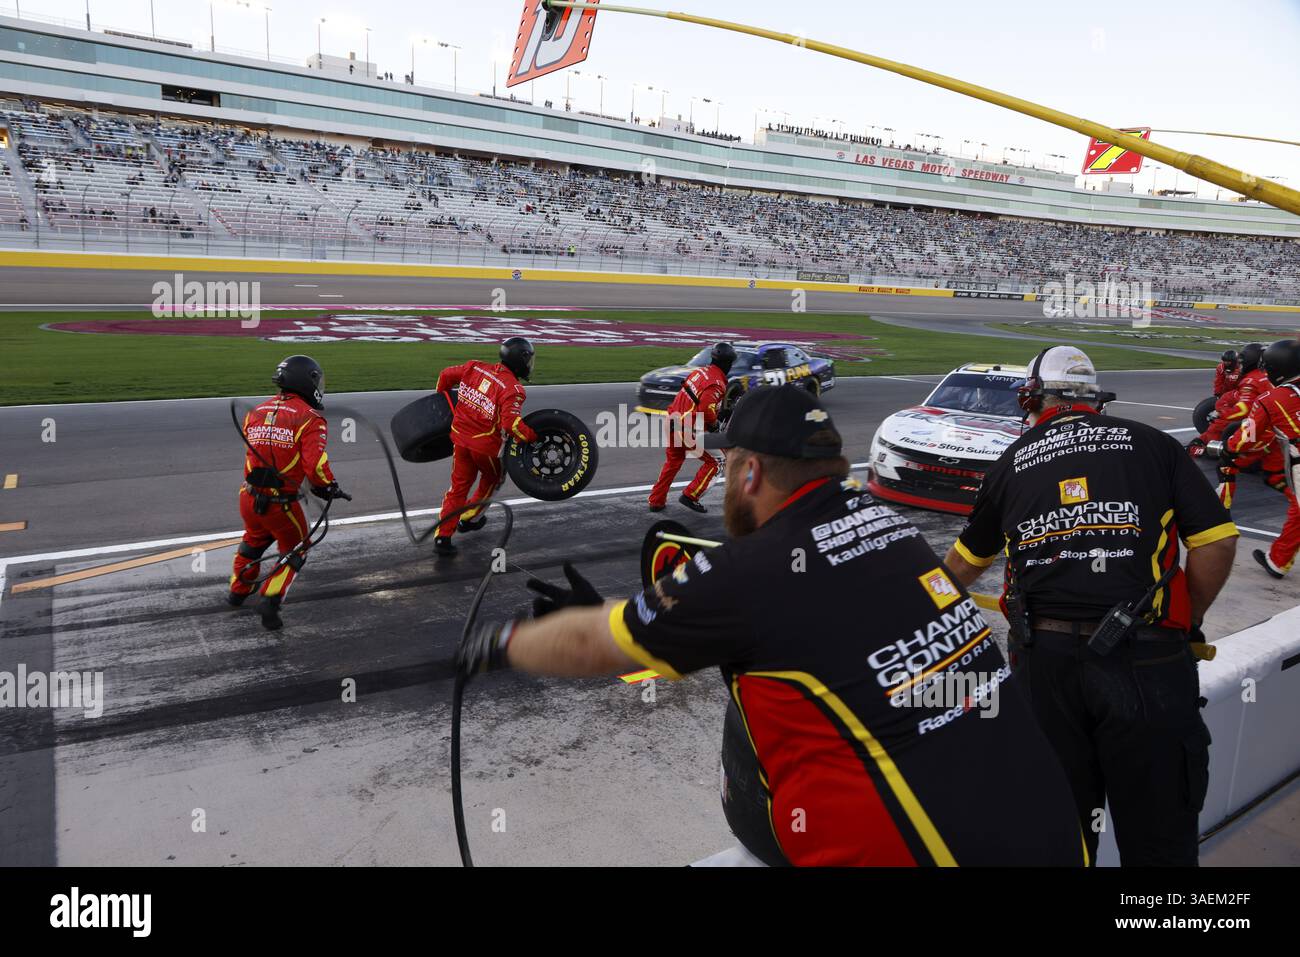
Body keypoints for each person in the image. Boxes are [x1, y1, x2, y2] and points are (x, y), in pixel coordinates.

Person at [461, 386, 1087, 866]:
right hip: (1054, 832)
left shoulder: (748, 570)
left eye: (730, 462)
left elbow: (594, 646)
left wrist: (500, 644)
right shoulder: (897, 532)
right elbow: (831, 619)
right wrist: (629, 617)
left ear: (750, 472)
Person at [942, 346, 1238, 866]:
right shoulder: (1152, 444)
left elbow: (961, 569)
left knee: (1058, 833)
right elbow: (1215, 542)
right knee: (1161, 837)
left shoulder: (1012, 461)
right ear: (1095, 400)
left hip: (1045, 664)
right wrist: (1187, 625)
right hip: (1147, 661)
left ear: (1030, 398)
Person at [229, 355, 349, 631]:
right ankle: (271, 598)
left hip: (248, 497)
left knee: (253, 541)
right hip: (281, 504)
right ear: (307, 381)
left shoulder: (256, 411)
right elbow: (314, 466)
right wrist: (327, 486)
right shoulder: (310, 419)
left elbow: (259, 453)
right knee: (297, 548)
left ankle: (237, 591)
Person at [432, 337, 537, 556]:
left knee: (457, 488)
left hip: (460, 440)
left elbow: (445, 376)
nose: (529, 366)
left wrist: (443, 404)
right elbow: (511, 424)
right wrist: (532, 437)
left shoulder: (475, 367)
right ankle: (469, 519)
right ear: (520, 361)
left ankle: (443, 536)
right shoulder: (514, 388)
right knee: (493, 479)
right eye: (528, 360)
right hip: (486, 447)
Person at [1220, 339, 1300, 578]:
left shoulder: (1270, 400)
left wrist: (1227, 449)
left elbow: (1247, 437)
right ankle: (1278, 560)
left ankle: (1277, 561)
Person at [647, 342, 734, 514]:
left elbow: (693, 400)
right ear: (728, 363)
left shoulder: (699, 372)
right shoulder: (717, 383)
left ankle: (656, 501)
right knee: (718, 461)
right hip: (687, 428)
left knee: (673, 462)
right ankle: (691, 495)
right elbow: (706, 411)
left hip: (672, 420)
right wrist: (716, 425)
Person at [1188, 342, 1265, 457]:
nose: (1228, 364)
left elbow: (1244, 410)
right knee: (1224, 400)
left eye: (1240, 363)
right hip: (1245, 398)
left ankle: (1217, 450)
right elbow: (1218, 382)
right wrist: (1219, 395)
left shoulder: (1251, 380)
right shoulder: (1265, 375)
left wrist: (1221, 415)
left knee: (1218, 427)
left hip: (1258, 419)